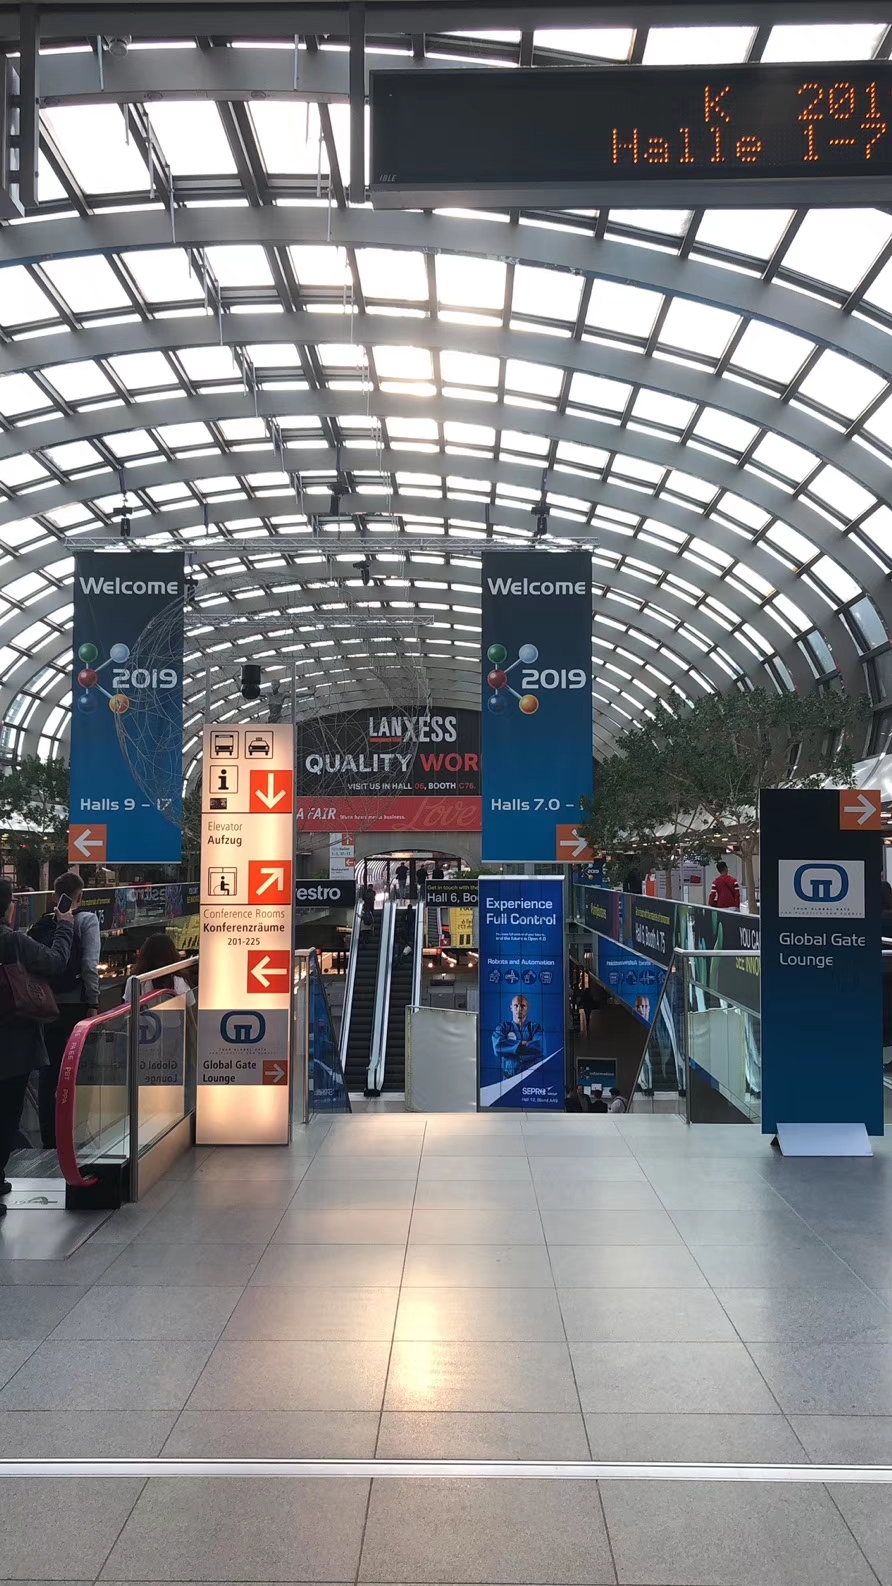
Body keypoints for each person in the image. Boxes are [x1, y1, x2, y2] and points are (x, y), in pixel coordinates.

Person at [0, 879, 74, 1213]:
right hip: (12, 1043)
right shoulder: (13, 941)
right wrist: (64, 927)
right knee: (7, 1114)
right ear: (8, 906)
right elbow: (55, 961)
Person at [29, 871, 101, 1149]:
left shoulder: (41, 923)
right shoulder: (86, 920)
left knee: (48, 1074)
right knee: (74, 1072)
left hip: (44, 1005)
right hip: (75, 1008)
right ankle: (72, 1136)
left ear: (53, 897)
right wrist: (93, 1003)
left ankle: (49, 1139)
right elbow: (89, 966)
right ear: (80, 896)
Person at [123, 933, 194, 1005]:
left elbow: (127, 1009)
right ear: (172, 954)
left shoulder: (134, 981)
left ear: (144, 955)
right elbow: (190, 1007)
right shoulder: (179, 981)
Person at [492, 992, 543, 1078]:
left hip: (530, 1078)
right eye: (516, 1005)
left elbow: (539, 1047)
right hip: (509, 1079)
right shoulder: (503, 1027)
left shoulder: (535, 1027)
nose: (519, 1009)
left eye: (523, 1006)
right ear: (511, 1008)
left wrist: (510, 1049)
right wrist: (521, 1044)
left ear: (527, 1008)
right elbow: (497, 1047)